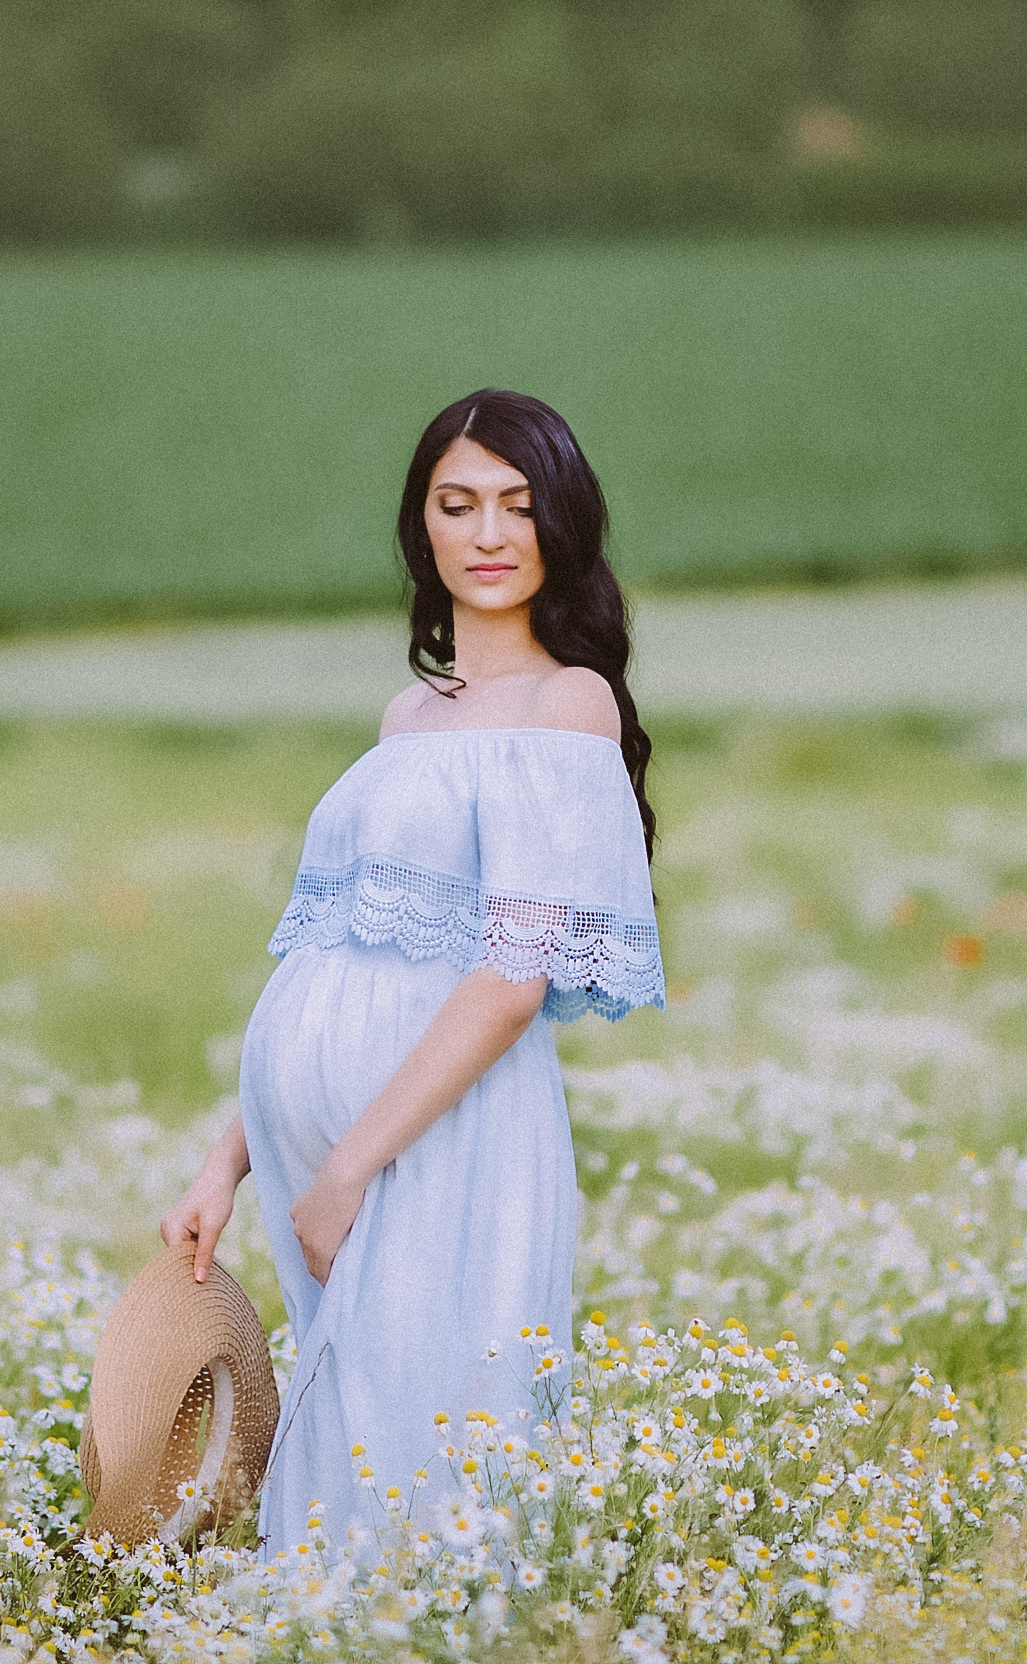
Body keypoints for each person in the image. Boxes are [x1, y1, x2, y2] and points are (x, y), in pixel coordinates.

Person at [156, 389, 663, 1546]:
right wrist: (224, 1159)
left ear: (561, 527)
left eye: (519, 506)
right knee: (345, 1446)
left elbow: (511, 974)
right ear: (420, 527)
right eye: (458, 503)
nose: (489, 534)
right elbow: (337, 945)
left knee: (422, 1439)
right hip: (324, 1148)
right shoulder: (409, 713)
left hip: (433, 1139)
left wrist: (347, 1166)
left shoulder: (565, 702)